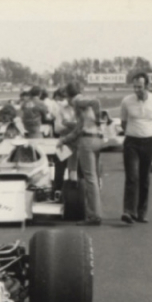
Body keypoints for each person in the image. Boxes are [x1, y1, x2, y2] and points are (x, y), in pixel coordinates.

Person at [119, 72, 152, 224]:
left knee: (144, 178)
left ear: (147, 86)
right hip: (131, 142)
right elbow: (123, 123)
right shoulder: (126, 101)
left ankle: (141, 212)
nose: (136, 90)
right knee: (132, 176)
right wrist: (134, 131)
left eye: (139, 87)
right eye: (134, 87)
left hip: (148, 142)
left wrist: (148, 132)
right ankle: (128, 211)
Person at [56, 82, 104, 225]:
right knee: (93, 178)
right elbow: (78, 127)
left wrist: (98, 117)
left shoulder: (77, 101)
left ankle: (94, 215)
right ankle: (95, 212)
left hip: (86, 141)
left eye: (67, 98)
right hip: (97, 139)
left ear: (70, 96)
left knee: (90, 179)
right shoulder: (83, 102)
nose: (67, 101)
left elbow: (96, 101)